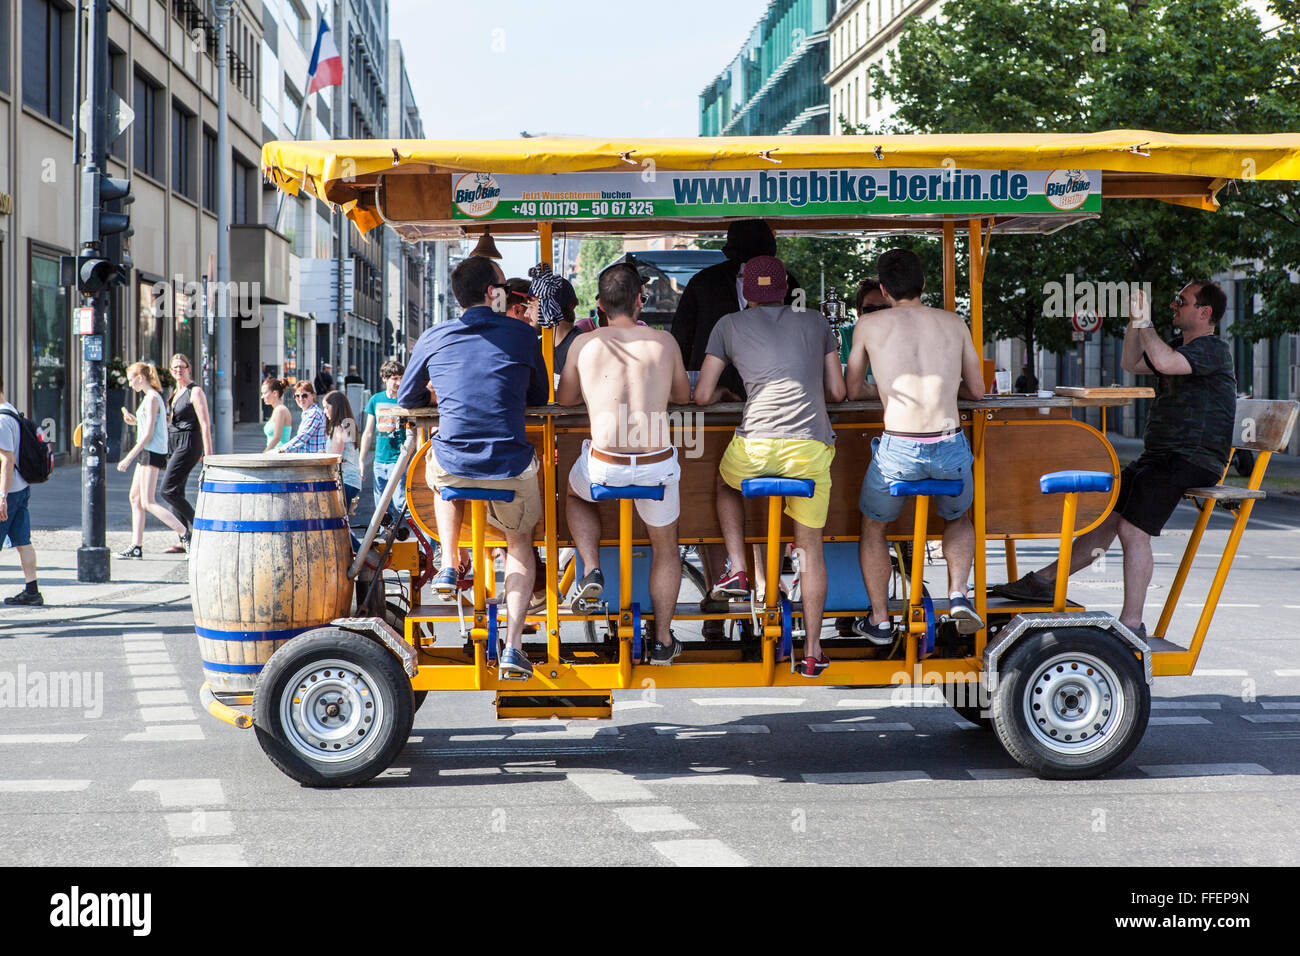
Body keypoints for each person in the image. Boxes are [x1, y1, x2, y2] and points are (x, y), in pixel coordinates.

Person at [991, 281, 1235, 639]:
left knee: (1132, 529)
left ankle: (1132, 623)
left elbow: (1163, 360)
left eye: (1181, 301)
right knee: (1110, 515)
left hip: (1191, 459)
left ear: (1205, 312)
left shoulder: (1212, 349)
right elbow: (1130, 362)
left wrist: (1145, 320)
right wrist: (1135, 322)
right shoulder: (1185, 352)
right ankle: (1046, 581)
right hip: (1161, 457)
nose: (1174, 305)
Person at [693, 256, 846, 678]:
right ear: (785, 289)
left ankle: (739, 569)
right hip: (811, 449)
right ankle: (813, 650)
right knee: (810, 550)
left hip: (756, 449)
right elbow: (837, 391)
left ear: (747, 290)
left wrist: (728, 390)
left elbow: (702, 397)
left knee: (726, 485)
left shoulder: (728, 324)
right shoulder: (816, 322)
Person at [398, 255, 549, 680]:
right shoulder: (523, 335)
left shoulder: (433, 336)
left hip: (455, 461)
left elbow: (408, 400)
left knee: (439, 469)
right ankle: (515, 647)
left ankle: (449, 561)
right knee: (520, 544)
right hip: (510, 466)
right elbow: (538, 397)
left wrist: (440, 399)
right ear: (492, 293)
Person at [556, 262, 692, 665]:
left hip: (605, 466)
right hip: (656, 465)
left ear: (599, 305)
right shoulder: (664, 342)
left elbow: (564, 401)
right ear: (640, 300)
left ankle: (592, 569)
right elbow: (684, 397)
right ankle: (664, 640)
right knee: (667, 548)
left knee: (575, 493)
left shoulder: (584, 344)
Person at [847, 249, 986, 643]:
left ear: (885, 290)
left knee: (874, 527)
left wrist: (887, 389)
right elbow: (977, 390)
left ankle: (880, 619)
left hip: (900, 449)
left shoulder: (870, 326)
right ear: (924, 285)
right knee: (958, 518)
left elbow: (851, 389)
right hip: (950, 443)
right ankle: (958, 594)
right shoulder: (953, 322)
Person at [671, 220, 802, 622]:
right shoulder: (789, 281)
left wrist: (693, 392)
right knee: (764, 494)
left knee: (708, 489)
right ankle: (763, 582)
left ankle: (722, 583)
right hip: (779, 409)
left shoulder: (703, 282)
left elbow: (679, 342)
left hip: (710, 408)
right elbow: (800, 338)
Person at [116, 362, 189, 558]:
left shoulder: (151, 398)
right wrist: (134, 421)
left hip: (151, 451)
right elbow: (154, 426)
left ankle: (185, 534)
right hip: (148, 451)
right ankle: (136, 545)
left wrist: (128, 458)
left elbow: (148, 435)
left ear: (141, 378)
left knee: (148, 501)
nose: (130, 384)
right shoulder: (150, 398)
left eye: (132, 380)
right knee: (135, 498)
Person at [156, 353, 213, 553]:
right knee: (176, 491)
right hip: (175, 442)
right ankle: (183, 539)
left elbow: (205, 424)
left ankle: (197, 529)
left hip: (189, 442)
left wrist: (208, 457)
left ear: (189, 368)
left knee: (167, 490)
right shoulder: (175, 392)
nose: (178, 370)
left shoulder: (195, 391)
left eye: (182, 367)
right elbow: (167, 422)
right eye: (175, 368)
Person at [0, 376, 43, 605]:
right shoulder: (12, 411)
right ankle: (32, 591)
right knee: (23, 542)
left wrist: (2, 497)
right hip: (21, 487)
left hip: (8, 492)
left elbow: (6, 460)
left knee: (21, 542)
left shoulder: (1, 421)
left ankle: (32, 592)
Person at [360, 360, 407, 520]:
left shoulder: (405, 400)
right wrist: (362, 460)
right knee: (382, 509)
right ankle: (388, 541)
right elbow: (368, 432)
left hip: (399, 459)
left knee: (401, 504)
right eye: (394, 378)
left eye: (401, 378)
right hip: (380, 460)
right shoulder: (375, 399)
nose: (398, 382)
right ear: (385, 378)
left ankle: (425, 540)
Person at [323, 390, 362, 548]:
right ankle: (360, 556)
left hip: (344, 480)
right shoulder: (349, 425)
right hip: (352, 480)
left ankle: (362, 556)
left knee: (337, 522)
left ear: (336, 407)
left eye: (327, 407)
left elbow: (334, 457)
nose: (325, 412)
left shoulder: (340, 428)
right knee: (341, 521)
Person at [280, 381, 328, 454]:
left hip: (314, 461)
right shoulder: (308, 413)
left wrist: (283, 449)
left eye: (304, 395)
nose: (300, 399)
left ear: (313, 395)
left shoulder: (314, 413)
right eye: (297, 396)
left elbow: (302, 437)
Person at [261, 378, 293, 451]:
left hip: (278, 454)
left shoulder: (280, 410)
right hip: (274, 453)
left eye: (265, 393)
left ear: (275, 393)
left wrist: (264, 453)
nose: (262, 397)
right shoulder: (277, 410)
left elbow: (277, 438)